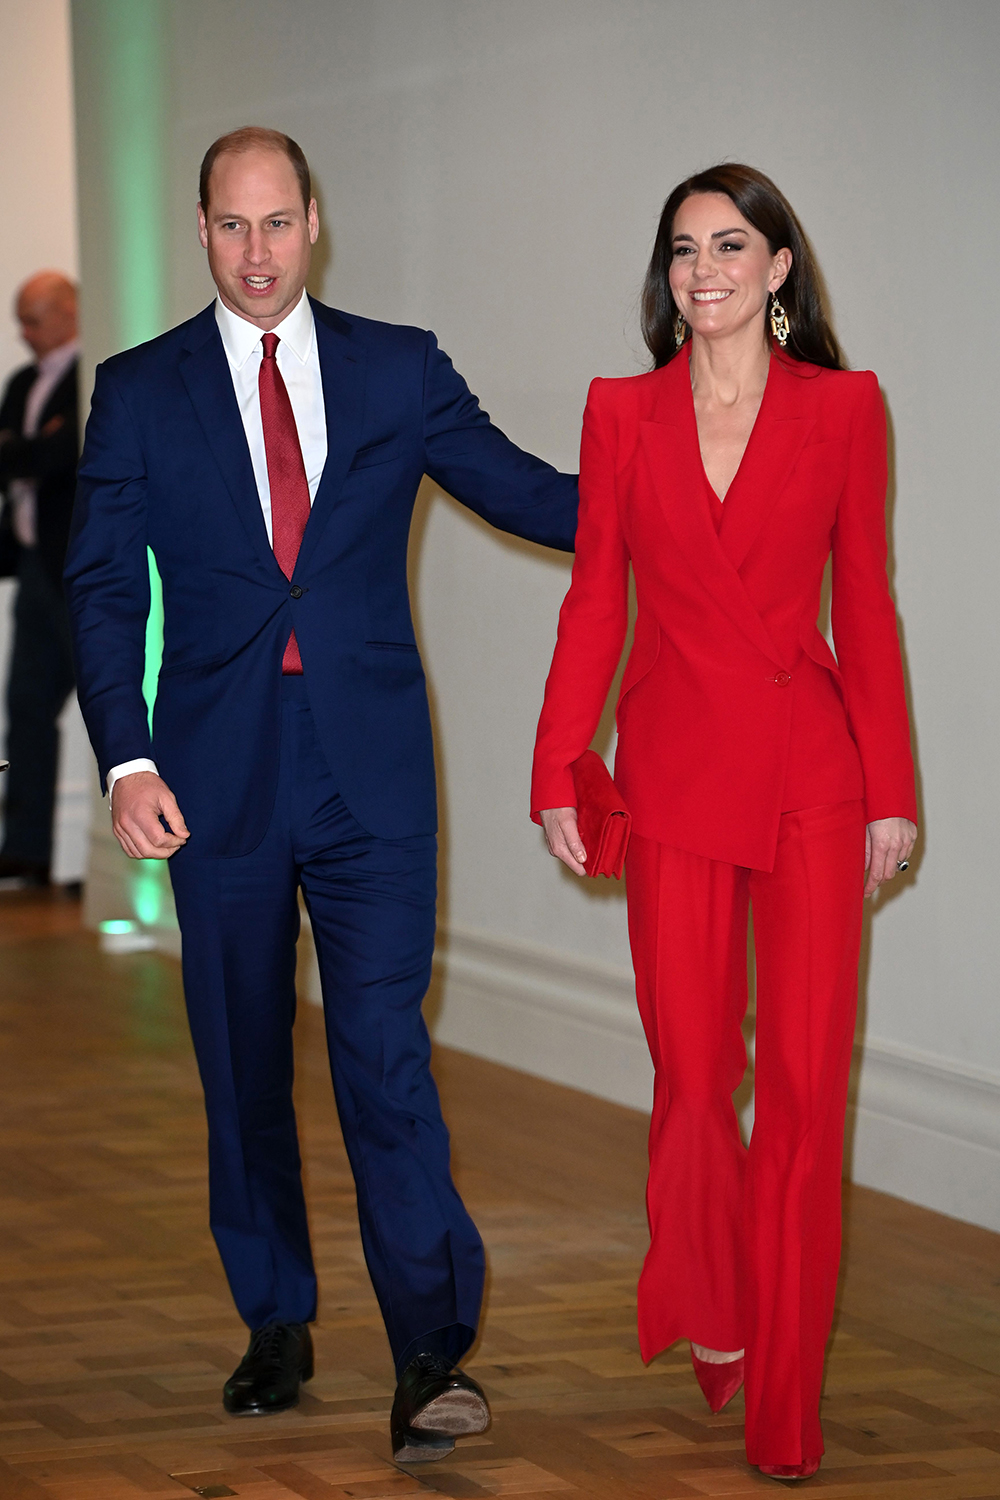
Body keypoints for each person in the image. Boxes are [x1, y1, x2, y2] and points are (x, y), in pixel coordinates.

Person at [65, 128, 577, 1459]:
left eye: (278, 224)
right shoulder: (138, 390)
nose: (257, 254)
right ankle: (277, 1318)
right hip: (211, 779)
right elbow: (105, 586)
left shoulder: (397, 368)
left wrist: (688, 472)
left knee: (384, 1058)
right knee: (243, 1066)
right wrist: (125, 759)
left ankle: (426, 1349)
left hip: (371, 775)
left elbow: (525, 491)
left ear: (315, 221)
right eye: (232, 228)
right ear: (201, 231)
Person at [531, 164, 916, 1482]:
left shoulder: (846, 410)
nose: (706, 268)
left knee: (807, 1097)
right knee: (697, 1082)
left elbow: (863, 605)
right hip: (678, 779)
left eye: (731, 244)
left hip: (814, 778)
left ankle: (785, 1404)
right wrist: (556, 762)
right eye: (685, 248)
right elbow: (596, 602)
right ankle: (708, 1292)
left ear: (778, 269)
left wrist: (895, 791)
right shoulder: (620, 413)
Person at [0, 272, 79, 885]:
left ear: (68, 310)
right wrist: (32, 447)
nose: (23, 332)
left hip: (77, 565)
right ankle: (26, 848)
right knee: (24, 706)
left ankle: (132, 834)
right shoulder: (23, 382)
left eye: (33, 317)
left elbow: (62, 457)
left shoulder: (92, 372)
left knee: (111, 698)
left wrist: (27, 449)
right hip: (29, 564)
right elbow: (18, 458)